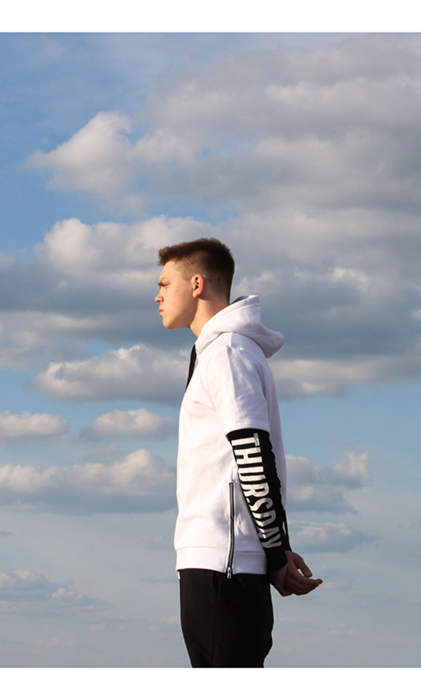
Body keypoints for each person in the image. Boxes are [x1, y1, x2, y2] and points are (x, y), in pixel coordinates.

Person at [155, 237, 321, 667]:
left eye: (164, 284)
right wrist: (276, 548)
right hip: (222, 560)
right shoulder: (220, 352)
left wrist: (274, 553)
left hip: (224, 565)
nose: (157, 296)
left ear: (196, 284)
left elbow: (252, 453)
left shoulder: (228, 353)